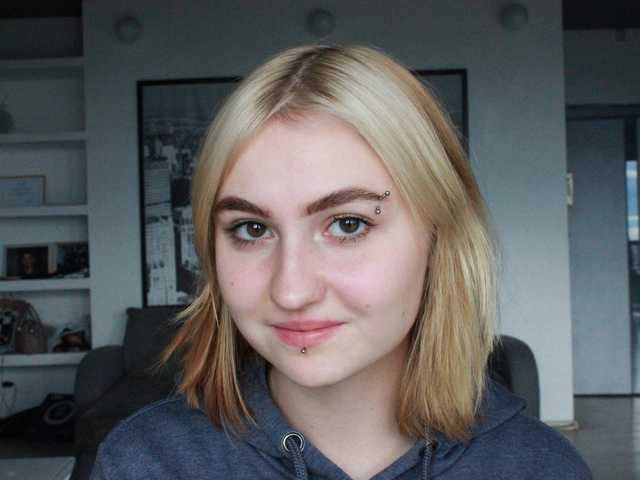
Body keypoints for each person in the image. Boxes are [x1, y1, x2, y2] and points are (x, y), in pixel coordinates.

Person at [90, 44, 592, 479]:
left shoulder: (540, 469)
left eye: (348, 224)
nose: (291, 291)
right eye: (252, 229)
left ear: (438, 238)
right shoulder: (147, 464)